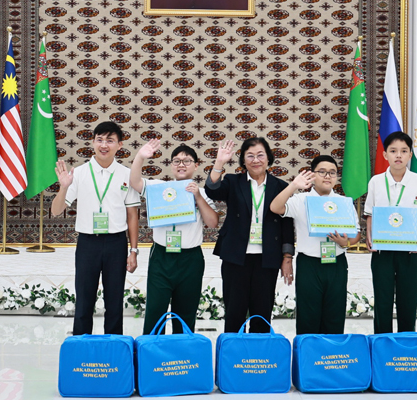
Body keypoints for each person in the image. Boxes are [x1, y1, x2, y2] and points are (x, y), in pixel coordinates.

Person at [52, 121, 141, 336]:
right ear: (92, 142)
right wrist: (63, 187)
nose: (104, 145)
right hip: (88, 243)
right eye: (99, 139)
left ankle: (114, 348)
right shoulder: (79, 173)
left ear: (119, 145)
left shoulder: (127, 175)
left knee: (114, 301)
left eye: (110, 140)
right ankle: (81, 348)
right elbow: (56, 210)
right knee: (84, 300)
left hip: (116, 243)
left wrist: (133, 250)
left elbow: (132, 216)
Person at [129, 139, 219, 334]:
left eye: (187, 161)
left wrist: (197, 197)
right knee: (155, 312)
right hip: (162, 257)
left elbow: (213, 223)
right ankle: (153, 358)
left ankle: (181, 359)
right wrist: (140, 157)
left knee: (186, 314)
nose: (181, 164)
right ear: (170, 165)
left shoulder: (203, 193)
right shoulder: (159, 187)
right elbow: (134, 182)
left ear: (196, 165)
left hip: (190, 259)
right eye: (176, 161)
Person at [205, 138, 294, 333]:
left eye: (260, 155)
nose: (256, 160)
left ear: (268, 158)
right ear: (243, 161)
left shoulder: (280, 186)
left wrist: (287, 257)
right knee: (234, 313)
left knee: (262, 314)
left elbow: (287, 223)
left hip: (267, 258)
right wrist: (219, 162)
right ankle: (233, 359)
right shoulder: (232, 182)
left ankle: (258, 360)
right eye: (250, 156)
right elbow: (212, 190)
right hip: (236, 256)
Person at [270, 155, 361, 335]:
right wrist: (294, 185)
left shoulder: (344, 202)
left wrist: (347, 243)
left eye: (332, 173)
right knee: (308, 317)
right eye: (322, 172)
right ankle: (308, 360)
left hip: (336, 263)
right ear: (313, 175)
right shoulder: (301, 200)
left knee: (334, 316)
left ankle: (331, 359)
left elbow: (356, 233)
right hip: (309, 265)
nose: (327, 176)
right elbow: (275, 207)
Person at [363, 131, 417, 334]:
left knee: (408, 300)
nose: (398, 155)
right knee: (382, 301)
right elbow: (370, 213)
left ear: (410, 154)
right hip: (382, 251)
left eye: (403, 151)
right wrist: (369, 236)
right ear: (385, 155)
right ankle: (381, 343)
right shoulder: (375, 181)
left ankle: (406, 342)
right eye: (393, 151)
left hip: (409, 251)